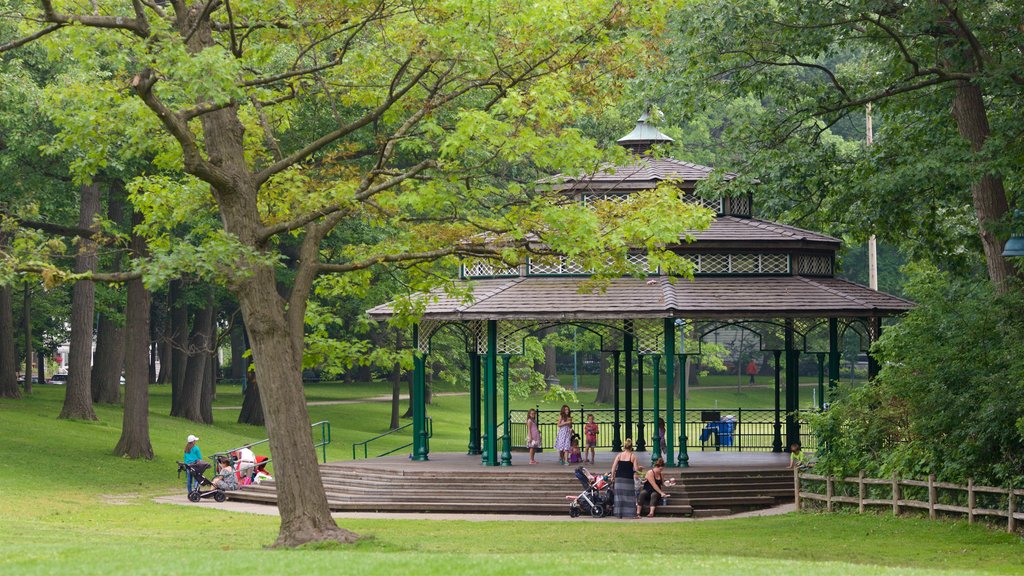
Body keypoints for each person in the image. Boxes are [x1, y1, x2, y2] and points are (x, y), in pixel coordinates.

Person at [610, 438, 640, 519]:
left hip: (619, 478)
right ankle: (631, 514)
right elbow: (636, 470)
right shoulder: (632, 456)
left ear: (624, 446)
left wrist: (612, 476)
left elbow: (613, 468)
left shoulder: (619, 455)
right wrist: (640, 469)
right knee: (629, 496)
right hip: (628, 479)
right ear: (631, 447)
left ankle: (619, 514)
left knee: (619, 497)